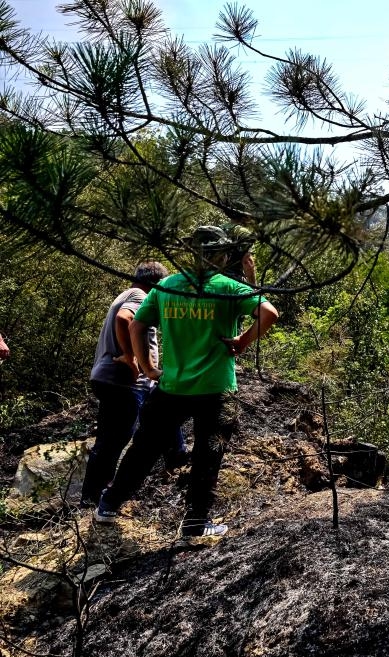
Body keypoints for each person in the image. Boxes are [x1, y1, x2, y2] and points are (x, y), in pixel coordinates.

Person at [94, 225, 279, 537]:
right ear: (221, 254)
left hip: (172, 387)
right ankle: (195, 523)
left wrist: (149, 369)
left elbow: (136, 325)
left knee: (144, 448)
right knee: (209, 454)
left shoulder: (167, 286)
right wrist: (242, 342)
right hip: (217, 388)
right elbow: (269, 312)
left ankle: (109, 505)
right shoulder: (227, 287)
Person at [80, 261, 187, 505]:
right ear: (158, 284)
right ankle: (93, 498)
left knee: (162, 410)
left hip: (111, 378)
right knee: (114, 439)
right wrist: (131, 359)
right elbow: (124, 318)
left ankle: (178, 455)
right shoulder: (139, 296)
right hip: (123, 381)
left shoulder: (126, 293)